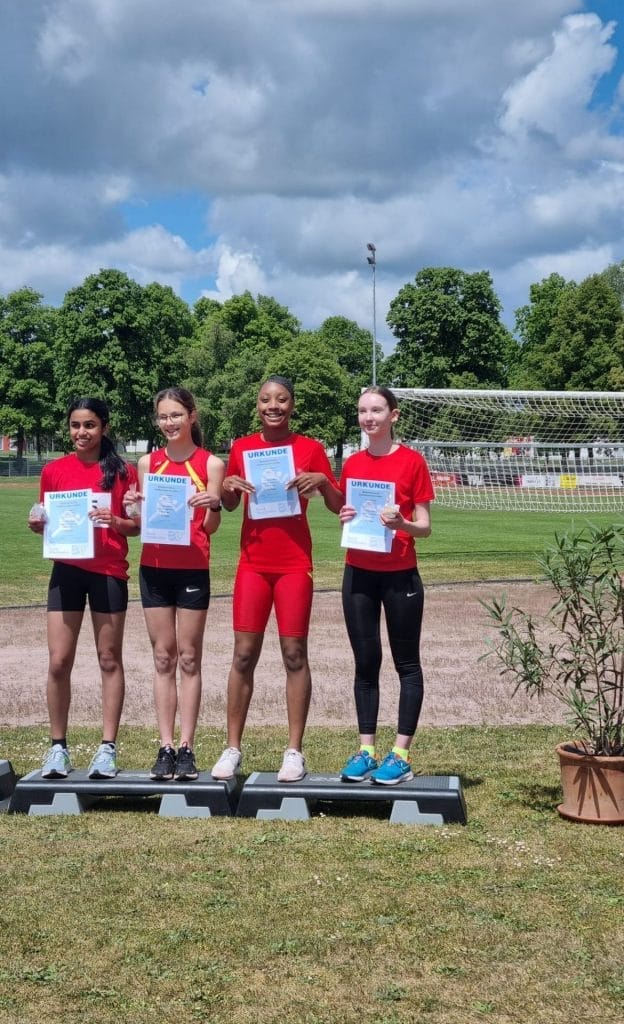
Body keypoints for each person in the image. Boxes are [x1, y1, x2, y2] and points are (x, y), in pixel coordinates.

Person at [211, 375, 343, 783]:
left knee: (294, 654)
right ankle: (232, 748)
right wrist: (229, 486)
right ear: (257, 405)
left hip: (293, 565)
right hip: (252, 564)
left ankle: (294, 752)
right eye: (266, 399)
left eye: (281, 399)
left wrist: (324, 482)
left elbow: (339, 505)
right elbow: (230, 505)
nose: (274, 405)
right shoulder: (243, 447)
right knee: (243, 654)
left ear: (292, 405)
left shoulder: (309, 448)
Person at [28, 397, 139, 780]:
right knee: (59, 660)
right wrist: (38, 522)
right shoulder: (54, 471)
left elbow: (136, 526)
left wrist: (117, 520)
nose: (81, 433)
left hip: (108, 571)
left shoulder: (123, 470)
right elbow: (46, 516)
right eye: (75, 425)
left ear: (104, 427)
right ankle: (57, 748)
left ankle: (107, 748)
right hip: (66, 571)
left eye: (89, 425)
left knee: (109, 658)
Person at [338, 386, 434, 785]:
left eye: (377, 409)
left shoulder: (412, 462)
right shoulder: (352, 463)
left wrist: (402, 525)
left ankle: (400, 755)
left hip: (400, 576)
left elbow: (425, 527)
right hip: (358, 572)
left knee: (406, 664)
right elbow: (352, 514)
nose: (369, 417)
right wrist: (346, 514)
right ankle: (366, 750)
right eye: (363, 411)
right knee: (366, 663)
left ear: (393, 415)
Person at [134, 387, 224, 782]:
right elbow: (142, 521)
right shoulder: (147, 461)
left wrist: (213, 505)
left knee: (189, 658)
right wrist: (133, 505)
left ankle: (187, 746)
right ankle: (165, 745)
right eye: (163, 417)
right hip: (153, 566)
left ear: (192, 416)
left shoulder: (211, 464)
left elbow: (211, 527)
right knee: (162, 658)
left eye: (176, 415)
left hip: (191, 568)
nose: (169, 423)